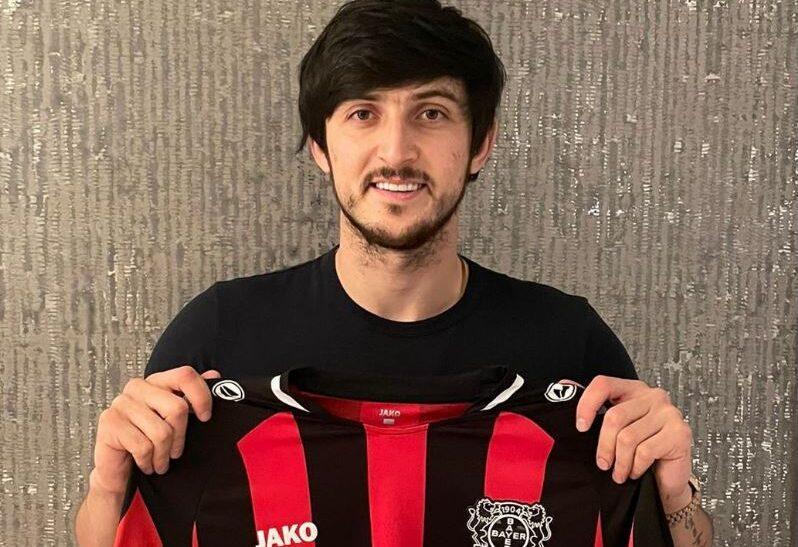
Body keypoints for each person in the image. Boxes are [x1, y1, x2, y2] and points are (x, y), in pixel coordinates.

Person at [74, 1, 713, 545]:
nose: (397, 151)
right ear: (320, 146)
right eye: (363, 113)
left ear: (480, 143)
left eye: (431, 113)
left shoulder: (568, 341)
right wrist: (108, 485)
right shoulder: (221, 333)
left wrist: (675, 495)